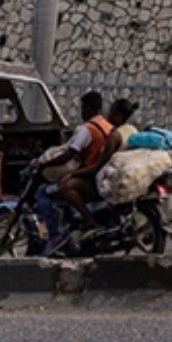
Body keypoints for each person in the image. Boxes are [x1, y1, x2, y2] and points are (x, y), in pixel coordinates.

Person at [51, 97, 136, 247]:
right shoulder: (131, 130)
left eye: (111, 112)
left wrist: (73, 174)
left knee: (66, 186)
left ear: (117, 115)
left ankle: (90, 221)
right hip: (115, 175)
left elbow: (97, 167)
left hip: (103, 181)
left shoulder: (114, 136)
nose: (108, 115)